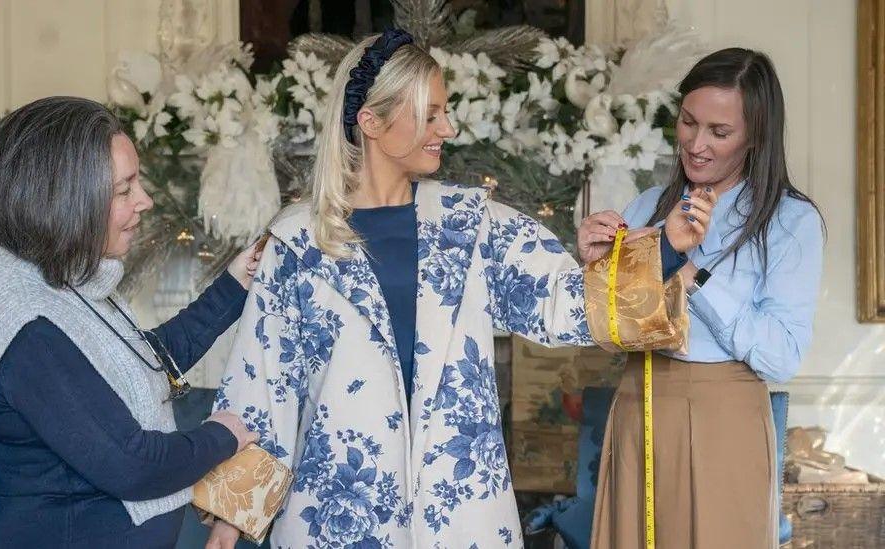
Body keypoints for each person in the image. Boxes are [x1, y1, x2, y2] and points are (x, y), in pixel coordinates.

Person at [206, 29, 712, 548]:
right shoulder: (296, 241)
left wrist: (668, 247)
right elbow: (263, 384)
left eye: (445, 111)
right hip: (338, 515)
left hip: (460, 510)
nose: (447, 128)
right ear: (372, 122)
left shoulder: (471, 225)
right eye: (430, 115)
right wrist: (230, 517)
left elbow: (567, 306)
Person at [0, 96, 262, 549]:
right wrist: (224, 436)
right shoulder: (29, 330)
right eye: (124, 189)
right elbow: (135, 465)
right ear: (66, 202)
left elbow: (141, 363)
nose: (144, 200)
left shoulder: (63, 286)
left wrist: (234, 285)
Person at [579, 48, 824, 549]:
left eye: (720, 131)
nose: (696, 144)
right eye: (688, 122)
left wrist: (689, 271)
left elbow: (781, 357)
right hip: (639, 401)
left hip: (725, 415)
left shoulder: (790, 222)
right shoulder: (646, 207)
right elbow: (612, 329)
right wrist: (595, 265)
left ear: (755, 134)